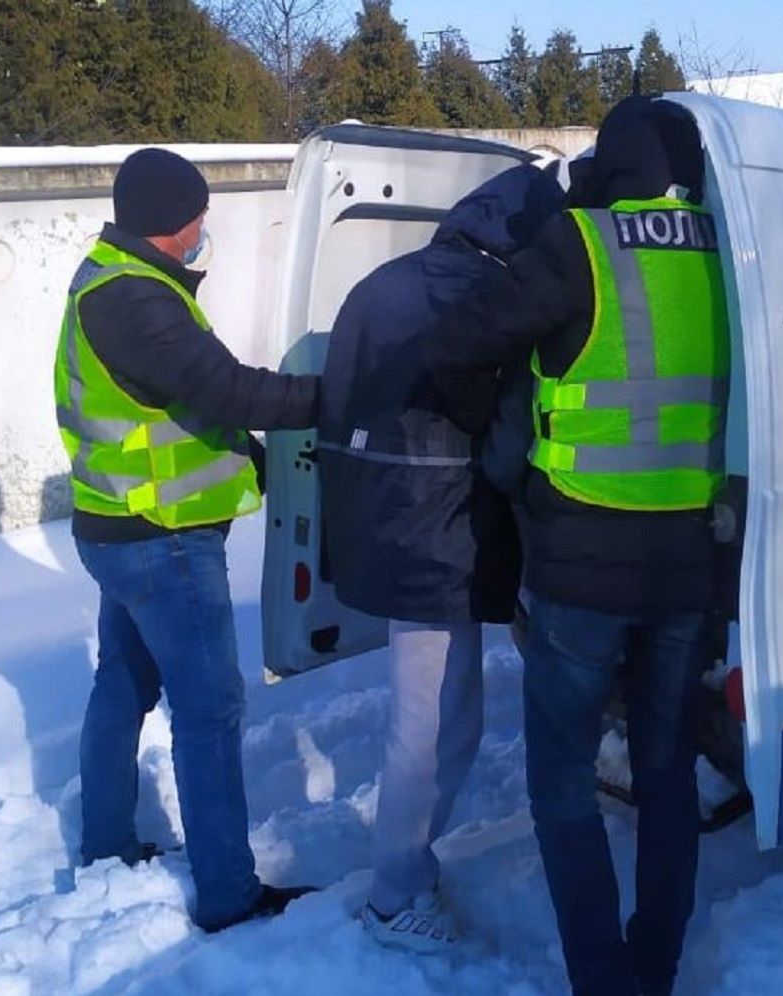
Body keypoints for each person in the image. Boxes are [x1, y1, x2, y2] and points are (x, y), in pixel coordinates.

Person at [428, 97, 730, 996]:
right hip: (687, 564)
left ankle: (605, 980)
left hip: (579, 569)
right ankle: (657, 967)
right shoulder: (732, 250)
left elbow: (457, 340)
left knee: (563, 782)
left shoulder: (579, 244)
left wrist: (499, 436)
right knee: (667, 772)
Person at [53, 148, 317, 933]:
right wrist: (335, 396)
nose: (206, 228)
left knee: (124, 687)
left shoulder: (109, 274)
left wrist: (252, 454)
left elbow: (182, 405)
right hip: (159, 541)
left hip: (119, 527)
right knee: (208, 709)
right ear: (175, 221)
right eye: (200, 214)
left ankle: (105, 844)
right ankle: (230, 894)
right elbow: (226, 385)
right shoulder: (136, 298)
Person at [318, 163, 565, 952]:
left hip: (381, 525)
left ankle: (405, 873)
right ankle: (397, 895)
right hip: (445, 532)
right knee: (434, 722)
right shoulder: (491, 298)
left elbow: (339, 403)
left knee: (430, 711)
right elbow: (503, 431)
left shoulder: (376, 286)